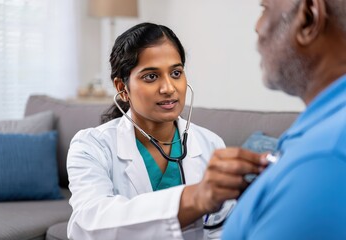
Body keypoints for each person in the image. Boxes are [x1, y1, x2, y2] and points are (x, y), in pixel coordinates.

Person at [66, 22, 268, 240]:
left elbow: (222, 229)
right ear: (123, 89)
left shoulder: (210, 143)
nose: (169, 88)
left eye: (176, 72)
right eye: (151, 76)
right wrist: (194, 198)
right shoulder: (91, 146)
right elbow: (88, 224)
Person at [222, 0, 346, 239]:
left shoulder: (323, 159)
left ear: (308, 18)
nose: (258, 27)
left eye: (265, 9)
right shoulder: (320, 130)